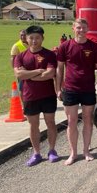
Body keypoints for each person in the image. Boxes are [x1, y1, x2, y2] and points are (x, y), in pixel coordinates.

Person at [56, 18, 97, 165]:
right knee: (71, 122)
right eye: (78, 28)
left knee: (87, 121)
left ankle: (86, 150)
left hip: (88, 89)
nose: (81, 30)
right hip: (70, 89)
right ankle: (73, 153)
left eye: (84, 28)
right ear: (73, 28)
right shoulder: (65, 46)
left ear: (88, 29)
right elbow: (59, 69)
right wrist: (58, 88)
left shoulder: (94, 47)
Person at [14, 25, 59, 166]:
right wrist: (39, 71)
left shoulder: (50, 55)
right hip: (29, 96)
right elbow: (18, 74)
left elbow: (50, 74)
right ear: (26, 39)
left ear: (42, 38)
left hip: (47, 95)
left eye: (37, 38)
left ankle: (52, 151)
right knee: (33, 125)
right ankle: (36, 153)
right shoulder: (21, 56)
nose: (34, 41)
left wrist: (29, 75)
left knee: (50, 122)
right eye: (31, 38)